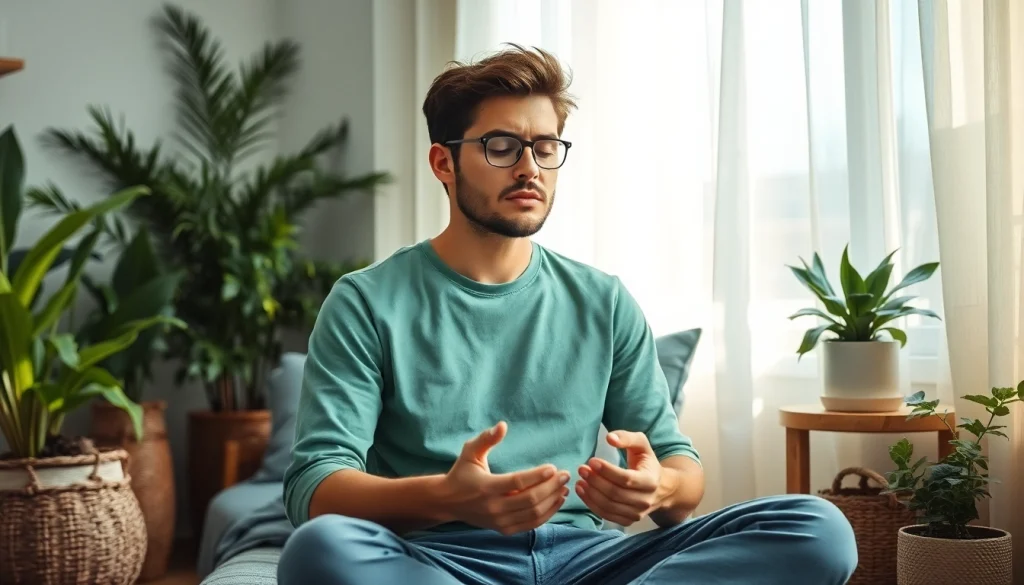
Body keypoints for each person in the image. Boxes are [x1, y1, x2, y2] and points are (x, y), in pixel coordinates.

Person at [277, 44, 857, 585]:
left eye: (545, 147)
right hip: (443, 561)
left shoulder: (602, 300)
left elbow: (683, 474)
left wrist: (657, 488)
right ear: (444, 163)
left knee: (819, 529)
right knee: (320, 551)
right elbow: (315, 487)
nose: (529, 167)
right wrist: (449, 497)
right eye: (501, 146)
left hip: (589, 559)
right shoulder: (365, 301)